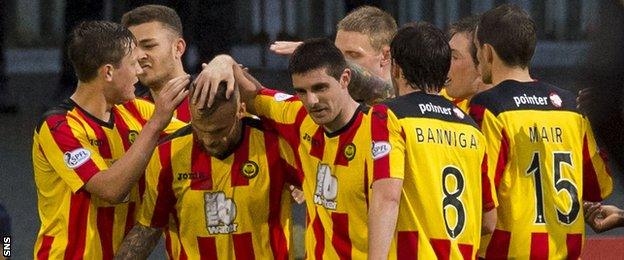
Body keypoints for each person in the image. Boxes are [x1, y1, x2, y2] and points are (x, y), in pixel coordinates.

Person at [203, 38, 382, 258]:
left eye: (320, 88)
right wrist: (223, 61)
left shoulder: (380, 130)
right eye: (302, 91)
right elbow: (254, 97)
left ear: (345, 79)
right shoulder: (298, 116)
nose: (312, 101)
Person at [32, 21, 188, 259]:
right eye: (133, 63)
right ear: (108, 72)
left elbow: (197, 133)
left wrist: (223, 68)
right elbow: (110, 189)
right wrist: (156, 124)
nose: (139, 71)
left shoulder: (135, 110)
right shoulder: (59, 126)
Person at [469, 4, 612, 259]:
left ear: (487, 52)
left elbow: (480, 193)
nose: (477, 59)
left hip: (507, 253)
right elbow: (599, 188)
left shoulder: (489, 107)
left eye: (476, 51)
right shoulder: (570, 106)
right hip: (564, 251)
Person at [115, 83, 298, 259]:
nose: (209, 140)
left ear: (240, 111)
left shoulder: (276, 146)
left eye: (219, 130)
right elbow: (148, 228)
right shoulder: (167, 155)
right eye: (200, 129)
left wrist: (304, 185)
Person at [367, 21, 496, 259]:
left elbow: (388, 197)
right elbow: (489, 221)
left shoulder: (389, 115)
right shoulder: (471, 128)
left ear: (396, 69)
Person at [269, 5, 396, 104]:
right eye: (337, 54)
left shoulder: (404, 98)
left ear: (385, 56)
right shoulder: (325, 105)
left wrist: (322, 54)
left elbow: (382, 90)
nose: (339, 62)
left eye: (353, 55)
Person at [121, 4, 192, 123]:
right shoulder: (129, 112)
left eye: (149, 46)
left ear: (178, 48)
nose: (139, 56)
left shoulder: (210, 96)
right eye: (132, 49)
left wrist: (225, 62)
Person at [443, 15, 492, 112]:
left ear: (482, 62)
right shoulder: (442, 103)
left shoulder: (503, 115)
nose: (444, 63)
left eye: (454, 57)